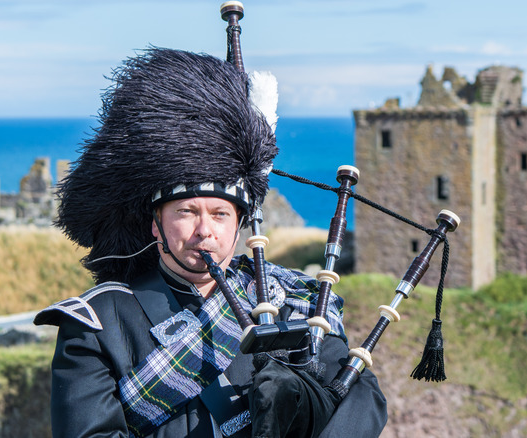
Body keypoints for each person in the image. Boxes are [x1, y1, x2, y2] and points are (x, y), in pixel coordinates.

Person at [34, 48, 387, 438]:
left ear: (239, 225)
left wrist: (305, 407)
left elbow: (361, 397)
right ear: (155, 224)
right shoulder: (98, 325)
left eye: (220, 214)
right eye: (187, 211)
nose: (205, 230)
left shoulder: (290, 298)